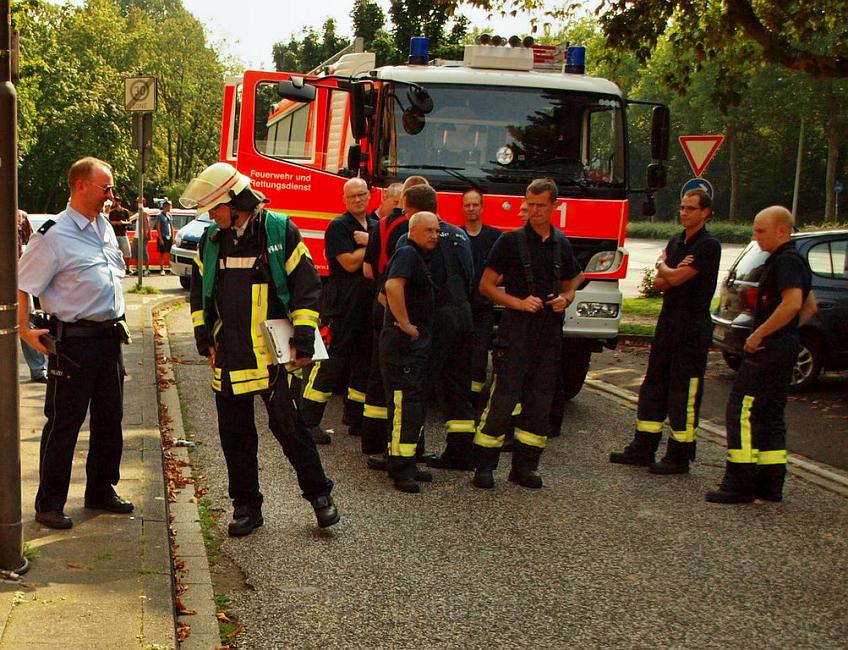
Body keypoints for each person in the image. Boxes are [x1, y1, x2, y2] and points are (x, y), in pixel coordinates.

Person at [182, 162, 339, 534]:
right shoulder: (212, 240)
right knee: (235, 437)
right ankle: (246, 507)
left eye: (215, 208)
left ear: (236, 202)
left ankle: (320, 497)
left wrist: (303, 339)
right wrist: (205, 340)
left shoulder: (279, 231)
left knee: (290, 428)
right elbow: (198, 294)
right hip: (231, 355)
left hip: (272, 357)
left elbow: (307, 288)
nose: (212, 216)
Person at [18, 157, 133, 530]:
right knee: (65, 423)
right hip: (74, 344)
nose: (111, 196)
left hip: (108, 339)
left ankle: (101, 489)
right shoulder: (53, 234)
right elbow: (24, 285)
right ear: (81, 186)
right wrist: (25, 329)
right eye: (106, 187)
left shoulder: (103, 227)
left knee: (109, 419)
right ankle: (49, 503)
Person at [472, 178, 583, 489]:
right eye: (530, 205)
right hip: (516, 330)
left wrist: (567, 298)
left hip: (549, 333)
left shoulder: (561, 242)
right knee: (502, 400)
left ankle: (525, 467)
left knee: (540, 402)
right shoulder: (510, 241)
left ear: (554, 207)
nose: (533, 211)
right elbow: (486, 285)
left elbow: (575, 280)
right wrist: (518, 303)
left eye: (540, 206)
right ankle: (485, 465)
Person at [706, 206, 817, 504]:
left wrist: (762, 333)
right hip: (784, 347)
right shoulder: (794, 260)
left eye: (760, 230)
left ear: (782, 230)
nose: (755, 237)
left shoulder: (786, 261)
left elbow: (793, 304)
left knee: (742, 410)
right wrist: (787, 332)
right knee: (770, 414)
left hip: (769, 351)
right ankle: (769, 486)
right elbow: (810, 307)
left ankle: (738, 482)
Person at [609, 189, 721, 473]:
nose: (684, 213)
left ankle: (679, 455)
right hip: (668, 320)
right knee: (654, 384)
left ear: (705, 212)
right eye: (682, 207)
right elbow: (658, 284)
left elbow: (675, 276)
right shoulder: (677, 241)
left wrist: (664, 265)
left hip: (692, 326)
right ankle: (644, 446)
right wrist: (669, 271)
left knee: (684, 390)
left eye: (691, 208)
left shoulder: (708, 246)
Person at [300, 178, 377, 444]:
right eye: (353, 196)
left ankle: (355, 419)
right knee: (330, 364)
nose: (358, 199)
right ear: (344, 200)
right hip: (342, 306)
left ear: (369, 196)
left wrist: (371, 240)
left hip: (368, 307)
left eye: (362, 194)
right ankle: (307, 421)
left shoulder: (375, 226)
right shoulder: (339, 227)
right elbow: (351, 263)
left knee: (363, 364)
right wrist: (371, 245)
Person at [360, 178, 427, 456]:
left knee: (378, 373)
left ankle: (370, 439)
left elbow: (367, 270)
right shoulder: (411, 233)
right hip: (399, 309)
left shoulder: (381, 225)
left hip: (378, 303)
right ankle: (398, 447)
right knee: (402, 385)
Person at [381, 211, 441, 492]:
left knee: (413, 405)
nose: (434, 236)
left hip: (413, 345)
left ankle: (409, 461)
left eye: (437, 231)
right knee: (405, 404)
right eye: (429, 230)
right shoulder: (407, 253)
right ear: (413, 230)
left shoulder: (415, 256)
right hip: (404, 345)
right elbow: (391, 287)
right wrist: (406, 324)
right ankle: (400, 467)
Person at [460, 188, 502, 410]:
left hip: (483, 307)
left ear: (482, 207)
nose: (471, 208)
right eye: (467, 204)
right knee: (458, 354)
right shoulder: (456, 235)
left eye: (475, 204)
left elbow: (505, 265)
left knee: (478, 358)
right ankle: (458, 398)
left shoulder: (495, 237)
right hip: (460, 306)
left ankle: (474, 404)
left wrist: (492, 281)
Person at [17, 209, 48, 383]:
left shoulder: (21, 216)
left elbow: (33, 244)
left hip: (20, 278)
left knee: (27, 322)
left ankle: (37, 370)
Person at [109, 197, 133, 270]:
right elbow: (109, 222)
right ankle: (117, 268)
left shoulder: (125, 211)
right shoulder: (112, 212)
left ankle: (128, 268)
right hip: (114, 235)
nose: (114, 203)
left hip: (123, 234)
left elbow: (130, 222)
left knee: (127, 253)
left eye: (115, 201)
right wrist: (116, 223)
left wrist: (123, 222)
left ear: (119, 202)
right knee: (115, 253)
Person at [130, 202, 151, 276]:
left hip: (143, 236)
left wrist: (146, 235)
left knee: (144, 253)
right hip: (136, 236)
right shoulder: (138, 213)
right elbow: (130, 219)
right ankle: (138, 270)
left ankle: (147, 270)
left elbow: (147, 225)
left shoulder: (145, 212)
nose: (137, 203)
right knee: (135, 253)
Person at [155, 199, 174, 275]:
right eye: (169, 206)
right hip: (163, 236)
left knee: (170, 253)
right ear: (165, 206)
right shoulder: (159, 216)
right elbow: (158, 227)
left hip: (169, 236)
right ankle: (162, 269)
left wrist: (172, 236)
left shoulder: (169, 215)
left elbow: (171, 226)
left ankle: (171, 269)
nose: (170, 208)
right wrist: (160, 238)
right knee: (162, 253)